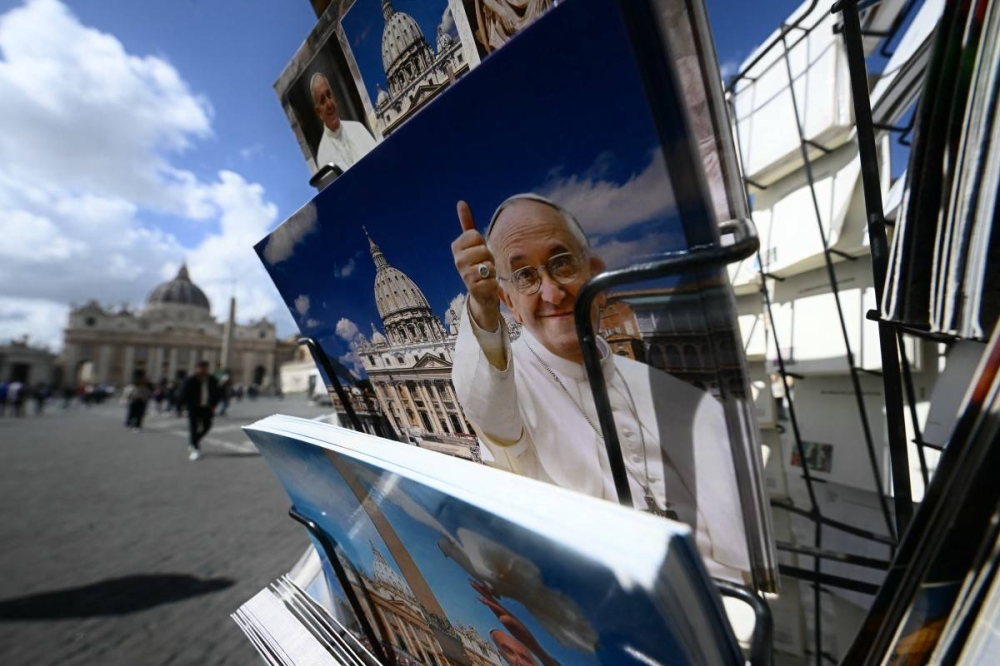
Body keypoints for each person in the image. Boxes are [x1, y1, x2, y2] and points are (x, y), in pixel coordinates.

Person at [449, 193, 750, 581]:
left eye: (562, 265)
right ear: (506, 300)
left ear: (596, 275)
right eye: (524, 276)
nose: (552, 293)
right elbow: (483, 404)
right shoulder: (506, 380)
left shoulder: (666, 388)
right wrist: (481, 310)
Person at [310, 72, 376, 173]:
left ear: (334, 96)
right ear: (319, 112)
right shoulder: (322, 157)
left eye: (329, 95)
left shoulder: (358, 128)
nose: (329, 104)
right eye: (322, 101)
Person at [180, 361, 220, 461]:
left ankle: (194, 441)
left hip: (207, 407)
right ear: (197, 368)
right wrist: (180, 407)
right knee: (193, 427)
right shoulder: (191, 380)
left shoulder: (212, 379)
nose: (204, 370)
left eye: (205, 368)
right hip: (193, 407)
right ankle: (195, 449)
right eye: (202, 368)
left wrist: (214, 404)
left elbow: (217, 392)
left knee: (207, 425)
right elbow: (183, 393)